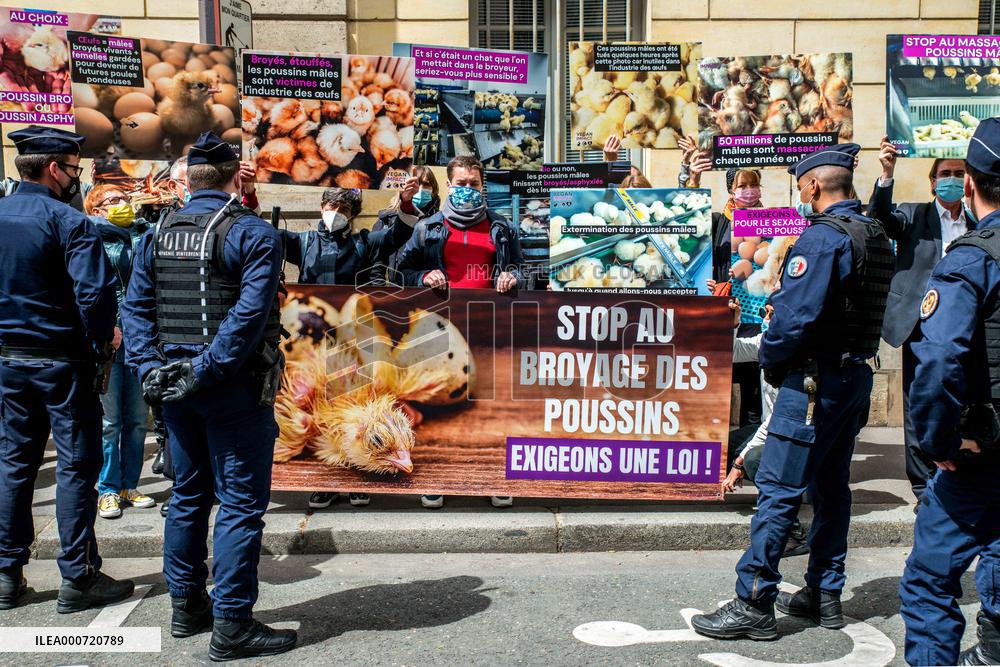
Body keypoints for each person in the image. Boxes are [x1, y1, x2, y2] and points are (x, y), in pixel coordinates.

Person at [690, 143, 893, 640]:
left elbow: (793, 322)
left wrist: (773, 361)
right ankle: (824, 593)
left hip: (811, 381)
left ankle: (753, 601)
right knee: (830, 487)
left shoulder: (822, 241)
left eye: (801, 185)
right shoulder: (877, 235)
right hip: (853, 379)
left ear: (813, 186)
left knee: (780, 491)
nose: (800, 193)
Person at [121, 132, 297, 660]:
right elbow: (247, 316)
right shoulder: (253, 233)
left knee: (188, 497)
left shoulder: (157, 233)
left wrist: (152, 367)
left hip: (175, 387)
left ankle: (186, 608)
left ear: (191, 178)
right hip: (230, 389)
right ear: (231, 176)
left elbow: (134, 310)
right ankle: (233, 626)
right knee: (241, 506)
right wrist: (207, 368)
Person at [0, 125, 134, 612]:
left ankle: (6, 574)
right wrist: (105, 337)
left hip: (8, 359)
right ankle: (78, 575)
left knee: (15, 464)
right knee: (77, 466)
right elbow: (96, 293)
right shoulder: (70, 221)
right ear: (55, 169)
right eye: (74, 169)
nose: (76, 178)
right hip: (62, 360)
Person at [899, 118, 1000, 666]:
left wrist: (938, 445)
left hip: (981, 457)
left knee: (929, 583)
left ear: (969, 183)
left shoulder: (971, 260)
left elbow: (937, 362)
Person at [397, 155, 523, 509]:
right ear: (449, 185)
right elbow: (399, 271)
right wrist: (423, 277)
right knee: (437, 414)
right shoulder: (428, 228)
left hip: (490, 332)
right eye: (461, 184)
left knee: (494, 412)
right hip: (442, 334)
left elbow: (522, 269)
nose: (468, 190)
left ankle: (495, 478)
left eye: (474, 184)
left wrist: (512, 276)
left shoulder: (501, 228)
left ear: (482, 187)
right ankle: (437, 478)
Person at [868, 136, 972, 503]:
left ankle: (958, 471)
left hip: (963, 321)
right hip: (919, 321)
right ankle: (921, 481)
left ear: (969, 180)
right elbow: (879, 218)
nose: (952, 179)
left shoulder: (979, 222)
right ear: (932, 181)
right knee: (916, 400)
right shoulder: (914, 214)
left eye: (959, 173)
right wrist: (886, 172)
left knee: (961, 396)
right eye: (945, 173)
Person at [84, 185, 155, 519]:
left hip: (140, 339)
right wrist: (105, 329)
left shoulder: (144, 234)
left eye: (125, 199)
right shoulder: (90, 236)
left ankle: (130, 484)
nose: (123, 205)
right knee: (110, 421)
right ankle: (108, 488)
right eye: (113, 201)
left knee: (138, 420)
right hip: (108, 341)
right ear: (96, 208)